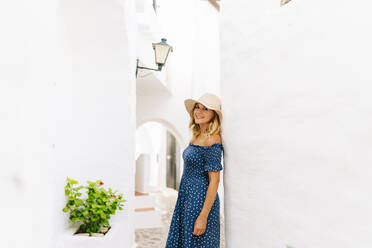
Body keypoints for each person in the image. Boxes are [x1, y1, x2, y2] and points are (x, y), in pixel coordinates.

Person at [165, 93, 224, 248]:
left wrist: (203, 216)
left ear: (213, 115)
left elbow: (214, 181)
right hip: (187, 198)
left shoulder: (213, 139)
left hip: (200, 201)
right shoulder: (197, 136)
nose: (199, 111)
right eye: (197, 107)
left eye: (205, 109)